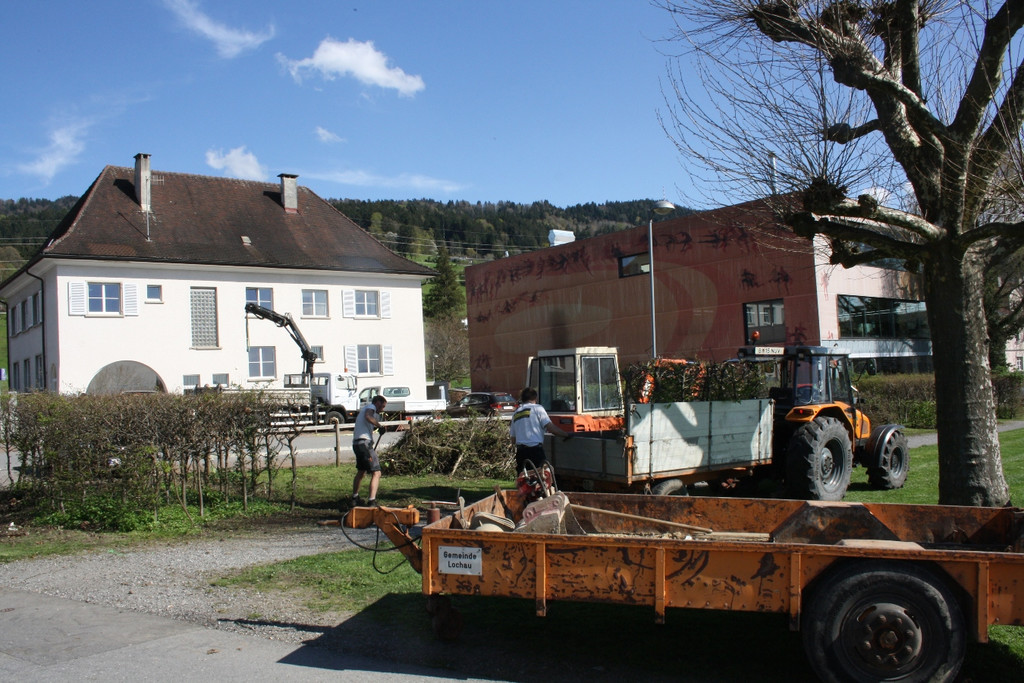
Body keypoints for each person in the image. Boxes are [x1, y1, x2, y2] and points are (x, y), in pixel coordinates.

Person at [510, 387, 571, 473]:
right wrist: (566, 434)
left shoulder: (516, 413)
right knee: (543, 478)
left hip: (521, 453)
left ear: (523, 399)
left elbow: (513, 439)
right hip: (535, 451)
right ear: (535, 398)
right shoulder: (537, 409)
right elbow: (550, 427)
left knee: (524, 481)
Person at [351, 395, 387, 506]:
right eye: (382, 406)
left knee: (361, 471)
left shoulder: (366, 410)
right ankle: (372, 501)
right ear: (377, 403)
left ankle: (354, 498)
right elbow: (368, 416)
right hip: (364, 444)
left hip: (357, 444)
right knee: (376, 472)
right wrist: (379, 426)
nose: (383, 409)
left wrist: (376, 428)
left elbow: (367, 421)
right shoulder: (370, 407)